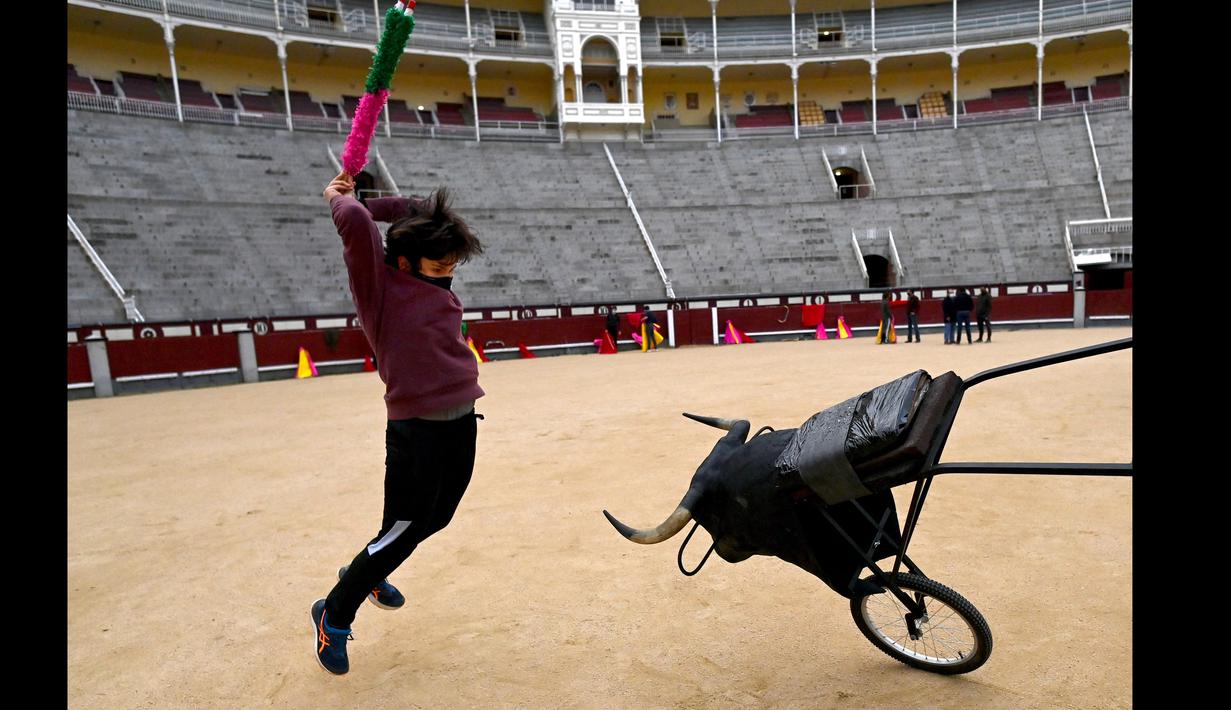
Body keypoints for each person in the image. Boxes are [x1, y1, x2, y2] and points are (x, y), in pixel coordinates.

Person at [311, 171, 486, 676]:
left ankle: (368, 572)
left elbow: (418, 206)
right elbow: (359, 225)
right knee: (405, 529)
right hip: (418, 430)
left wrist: (371, 196)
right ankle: (334, 615)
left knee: (430, 520)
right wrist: (339, 199)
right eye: (439, 265)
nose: (448, 273)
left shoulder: (428, 270)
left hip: (461, 419)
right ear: (405, 262)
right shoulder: (379, 289)